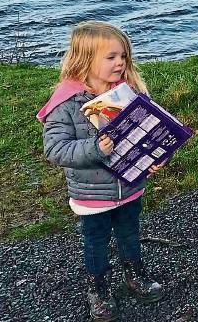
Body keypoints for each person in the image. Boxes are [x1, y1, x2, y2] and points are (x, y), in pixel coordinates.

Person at [38, 21, 164, 322]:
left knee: (129, 234)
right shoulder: (66, 104)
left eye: (123, 56)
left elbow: (146, 133)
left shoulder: (127, 94)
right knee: (95, 242)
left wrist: (155, 157)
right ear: (85, 60)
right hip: (92, 194)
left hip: (131, 185)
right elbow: (55, 150)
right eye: (111, 57)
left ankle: (135, 274)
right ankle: (98, 288)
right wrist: (97, 149)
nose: (120, 62)